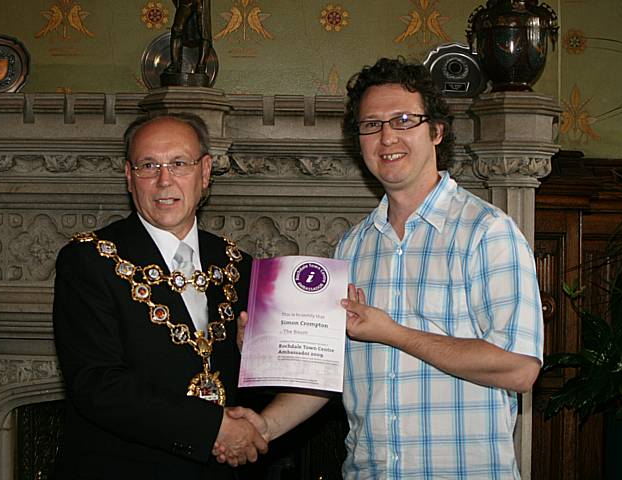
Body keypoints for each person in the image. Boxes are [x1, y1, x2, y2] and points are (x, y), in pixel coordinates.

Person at [221, 57, 544, 479]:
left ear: (436, 131)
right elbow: (331, 370)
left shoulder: (488, 232)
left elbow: (520, 368)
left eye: (404, 120)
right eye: (371, 125)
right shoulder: (353, 246)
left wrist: (392, 332)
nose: (387, 136)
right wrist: (271, 364)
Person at [53, 112, 267, 479]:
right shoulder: (89, 260)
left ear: (205, 172)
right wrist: (212, 428)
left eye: (179, 164)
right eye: (148, 165)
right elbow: (97, 385)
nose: (163, 180)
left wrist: (256, 360)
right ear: (129, 177)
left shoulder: (239, 265)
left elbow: (250, 389)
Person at [164, 0, 212, 75]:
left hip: (200, 2)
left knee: (204, 31)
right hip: (185, 2)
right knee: (176, 29)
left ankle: (201, 66)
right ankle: (175, 65)